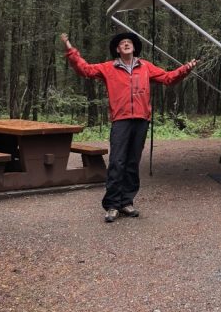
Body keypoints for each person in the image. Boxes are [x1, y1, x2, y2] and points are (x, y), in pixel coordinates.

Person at [60, 31, 198, 223]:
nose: (126, 44)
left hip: (141, 120)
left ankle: (126, 201)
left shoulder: (145, 67)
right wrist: (70, 49)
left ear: (134, 47)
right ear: (117, 49)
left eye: (129, 42)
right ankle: (112, 205)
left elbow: (168, 78)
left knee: (132, 163)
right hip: (121, 120)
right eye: (122, 43)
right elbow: (85, 69)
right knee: (117, 162)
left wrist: (185, 69)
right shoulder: (108, 68)